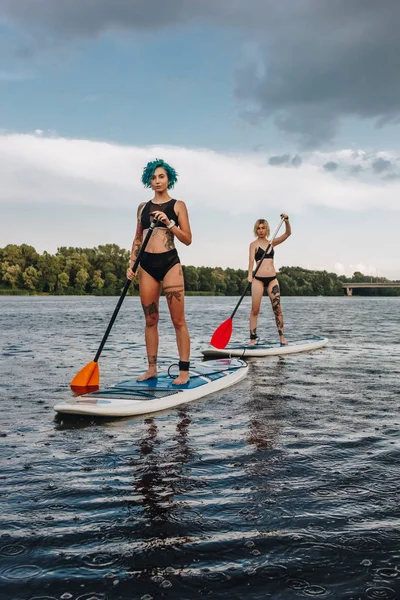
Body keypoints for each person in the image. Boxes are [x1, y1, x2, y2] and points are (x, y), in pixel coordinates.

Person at [126, 159, 192, 384]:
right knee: (151, 320)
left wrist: (170, 223)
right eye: (153, 178)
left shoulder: (178, 205)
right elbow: (137, 237)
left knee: (178, 321)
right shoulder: (142, 208)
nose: (157, 181)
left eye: (161, 177)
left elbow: (188, 239)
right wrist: (131, 263)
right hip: (146, 265)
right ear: (149, 180)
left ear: (169, 178)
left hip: (170, 262)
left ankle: (184, 371)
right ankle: (152, 368)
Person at [247, 214, 291, 346]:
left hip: (272, 279)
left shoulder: (272, 243)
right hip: (258, 280)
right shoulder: (253, 245)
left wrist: (287, 221)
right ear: (256, 230)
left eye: (263, 228)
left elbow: (288, 234)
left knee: (277, 309)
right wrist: (250, 275)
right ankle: (253, 339)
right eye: (259, 228)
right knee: (255, 310)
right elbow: (250, 262)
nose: (261, 230)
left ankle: (282, 337)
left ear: (267, 230)